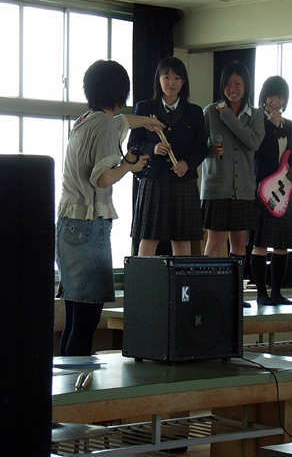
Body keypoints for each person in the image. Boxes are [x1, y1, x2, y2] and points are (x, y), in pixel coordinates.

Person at [56, 59, 164, 356]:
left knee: (74, 318)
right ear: (120, 92)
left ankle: (66, 383)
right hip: (89, 226)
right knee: (86, 322)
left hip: (67, 226)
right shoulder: (104, 124)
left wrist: (148, 121)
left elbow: (122, 122)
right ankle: (78, 385)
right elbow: (103, 178)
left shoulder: (85, 120)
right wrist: (129, 165)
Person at [128, 56, 207, 256]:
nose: (171, 83)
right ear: (159, 79)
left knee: (182, 240)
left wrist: (187, 163)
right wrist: (153, 149)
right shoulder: (145, 108)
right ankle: (144, 277)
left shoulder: (194, 112)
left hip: (184, 180)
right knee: (148, 237)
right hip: (153, 179)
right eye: (166, 77)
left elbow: (201, 147)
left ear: (183, 82)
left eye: (177, 78)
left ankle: (180, 278)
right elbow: (133, 144)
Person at [201, 61, 265, 301]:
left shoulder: (255, 115)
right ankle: (209, 294)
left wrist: (228, 117)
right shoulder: (210, 112)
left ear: (246, 86)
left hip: (244, 189)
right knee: (214, 241)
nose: (232, 88)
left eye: (237, 83)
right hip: (216, 188)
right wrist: (210, 150)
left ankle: (235, 295)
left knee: (239, 242)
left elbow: (253, 142)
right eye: (228, 83)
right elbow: (197, 147)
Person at [250, 75, 292, 305]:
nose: (276, 101)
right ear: (264, 96)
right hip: (262, 187)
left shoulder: (289, 125)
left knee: (282, 244)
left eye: (281, 97)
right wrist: (270, 124)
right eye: (272, 96)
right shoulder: (256, 120)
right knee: (260, 243)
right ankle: (261, 293)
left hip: (284, 187)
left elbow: (290, 156)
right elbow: (255, 150)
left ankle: (277, 292)